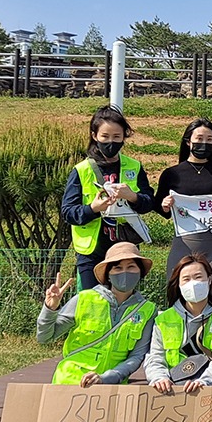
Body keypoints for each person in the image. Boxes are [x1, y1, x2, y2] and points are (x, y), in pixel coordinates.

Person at [61, 105, 155, 289]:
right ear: (94, 135)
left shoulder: (134, 167)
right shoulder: (82, 170)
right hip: (92, 252)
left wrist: (133, 197)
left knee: (125, 304)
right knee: (92, 304)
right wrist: (93, 208)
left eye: (116, 137)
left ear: (124, 136)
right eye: (105, 137)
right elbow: (68, 212)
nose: (110, 142)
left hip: (125, 251)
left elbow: (149, 202)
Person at [37, 242, 156, 386]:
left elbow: (137, 356)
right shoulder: (84, 299)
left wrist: (107, 378)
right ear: (108, 275)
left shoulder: (148, 310)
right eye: (117, 268)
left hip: (111, 386)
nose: (124, 272)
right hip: (69, 381)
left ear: (140, 273)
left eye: (131, 267)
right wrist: (50, 309)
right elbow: (44, 337)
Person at [154, 117, 212, 284]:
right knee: (177, 293)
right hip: (183, 243)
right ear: (188, 142)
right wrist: (164, 205)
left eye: (209, 140)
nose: (203, 144)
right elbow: (159, 207)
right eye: (199, 139)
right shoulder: (172, 174)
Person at [147, 252, 212, 393]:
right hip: (172, 391)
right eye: (186, 279)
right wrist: (159, 378)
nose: (193, 284)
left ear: (209, 279)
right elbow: (155, 357)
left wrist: (204, 382)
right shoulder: (162, 320)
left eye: (198, 277)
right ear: (178, 284)